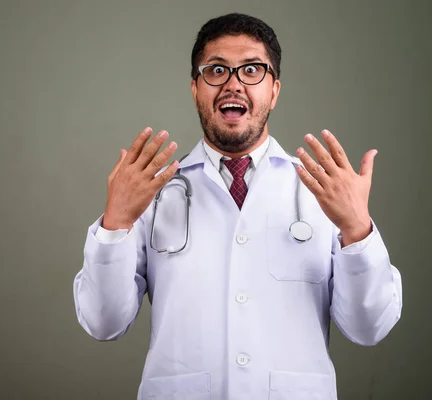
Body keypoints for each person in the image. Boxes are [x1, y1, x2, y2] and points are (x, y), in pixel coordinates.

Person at [73, 12, 402, 400]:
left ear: (274, 90)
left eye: (251, 70)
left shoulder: (324, 192)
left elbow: (369, 328)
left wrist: (357, 229)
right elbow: (102, 322)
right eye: (216, 71)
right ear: (195, 88)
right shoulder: (152, 192)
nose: (233, 84)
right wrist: (115, 224)